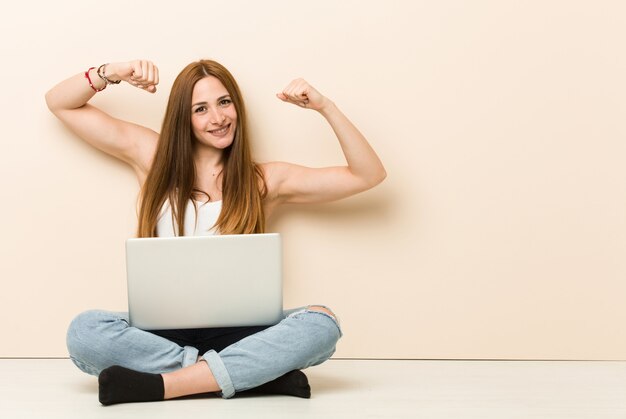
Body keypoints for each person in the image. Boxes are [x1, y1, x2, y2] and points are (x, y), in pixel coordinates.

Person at [45, 59, 386, 405]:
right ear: (184, 118)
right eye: (201, 109)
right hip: (162, 331)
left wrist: (325, 107)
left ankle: (166, 385)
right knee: (84, 331)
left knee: (322, 324)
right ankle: (247, 376)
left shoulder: (264, 181)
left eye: (225, 103)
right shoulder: (152, 157)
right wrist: (111, 73)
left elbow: (367, 175)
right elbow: (60, 102)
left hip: (242, 332)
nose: (218, 118)